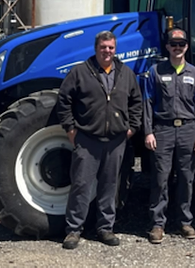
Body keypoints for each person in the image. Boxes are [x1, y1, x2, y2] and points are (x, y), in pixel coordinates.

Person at [56, 30, 143, 249]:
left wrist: (132, 127)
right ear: (96, 48)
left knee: (109, 186)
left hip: (116, 140)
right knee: (81, 185)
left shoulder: (125, 73)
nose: (107, 51)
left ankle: (105, 228)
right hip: (87, 139)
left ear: (115, 49)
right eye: (103, 47)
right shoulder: (80, 72)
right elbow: (64, 99)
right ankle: (74, 230)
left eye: (111, 47)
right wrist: (70, 128)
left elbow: (136, 102)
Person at [142, 28, 195, 244]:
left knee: (186, 179)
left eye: (181, 44)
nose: (177, 47)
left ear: (187, 46)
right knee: (160, 178)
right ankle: (157, 224)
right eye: (173, 44)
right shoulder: (155, 71)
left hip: (188, 130)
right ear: (167, 46)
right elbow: (147, 103)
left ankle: (185, 222)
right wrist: (148, 132)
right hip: (163, 130)